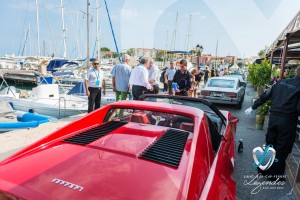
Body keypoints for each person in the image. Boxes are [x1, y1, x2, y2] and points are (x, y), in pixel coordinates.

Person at [245, 67, 300, 178]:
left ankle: (263, 170)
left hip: (274, 118)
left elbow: (265, 95)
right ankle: (274, 175)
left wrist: (253, 107)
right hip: (287, 121)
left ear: (296, 72)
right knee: (281, 148)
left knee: (270, 144)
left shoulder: (280, 83)